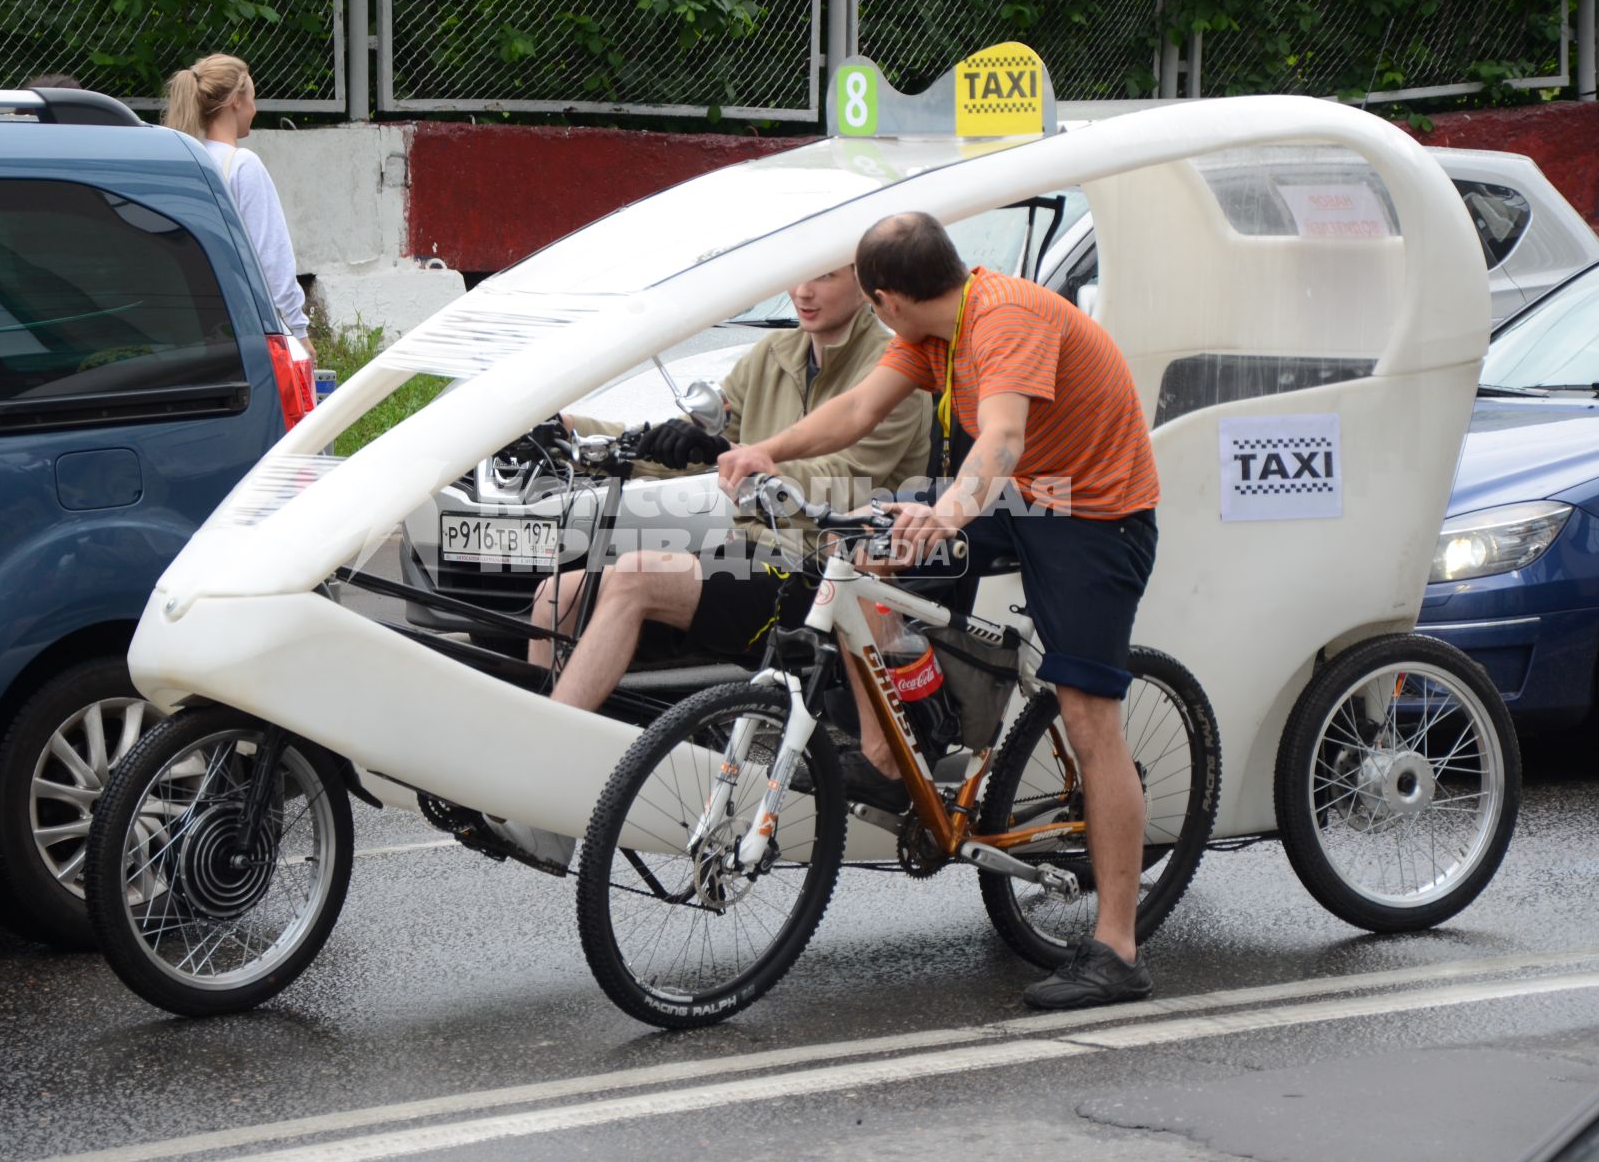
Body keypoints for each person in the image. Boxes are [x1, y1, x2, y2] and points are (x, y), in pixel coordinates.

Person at [717, 212, 1161, 1011]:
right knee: (865, 554)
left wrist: (948, 515)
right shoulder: (936, 325)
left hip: (1092, 512)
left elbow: (1001, 441)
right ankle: (893, 756)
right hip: (1021, 496)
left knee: (1093, 721)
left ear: (885, 299)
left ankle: (1118, 947)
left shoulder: (1007, 319)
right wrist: (767, 452)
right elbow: (858, 410)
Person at [481, 266, 932, 874]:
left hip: (823, 574)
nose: (804, 291)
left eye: (824, 276)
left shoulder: (895, 370)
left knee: (635, 576)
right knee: (557, 594)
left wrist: (734, 457)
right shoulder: (772, 353)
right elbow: (696, 438)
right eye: (797, 276)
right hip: (751, 560)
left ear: (863, 279)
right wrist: (567, 428)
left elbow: (841, 478)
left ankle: (541, 783)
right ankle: (555, 800)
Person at [160, 53, 311, 356]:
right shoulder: (242, 165)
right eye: (253, 98)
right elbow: (272, 256)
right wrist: (299, 330)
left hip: (192, 322)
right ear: (236, 102)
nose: (255, 108)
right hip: (245, 326)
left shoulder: (184, 161)